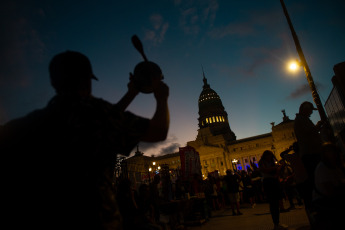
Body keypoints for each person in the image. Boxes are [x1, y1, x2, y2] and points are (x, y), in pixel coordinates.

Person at [1, 51, 170, 230]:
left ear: (54, 82)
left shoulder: (29, 124)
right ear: (87, 81)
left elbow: (105, 119)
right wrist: (162, 98)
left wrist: (131, 94)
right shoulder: (98, 115)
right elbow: (158, 131)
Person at [312, 142, 345, 229]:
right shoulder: (322, 168)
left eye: (334, 151)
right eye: (330, 152)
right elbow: (330, 191)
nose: (333, 154)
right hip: (324, 201)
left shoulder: (336, 167)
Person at [294, 101, 324, 185]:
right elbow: (308, 132)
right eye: (310, 110)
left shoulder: (303, 119)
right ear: (305, 110)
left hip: (311, 152)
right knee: (317, 178)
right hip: (311, 153)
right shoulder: (301, 119)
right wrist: (318, 125)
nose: (311, 112)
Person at [259, 150, 287, 230]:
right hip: (268, 182)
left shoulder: (272, 161)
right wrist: (275, 168)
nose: (270, 157)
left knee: (277, 202)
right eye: (269, 155)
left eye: (271, 156)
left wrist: (278, 169)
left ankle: (277, 223)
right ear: (265, 156)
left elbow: (276, 172)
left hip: (275, 181)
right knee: (273, 203)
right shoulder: (261, 162)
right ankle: (275, 224)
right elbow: (264, 170)